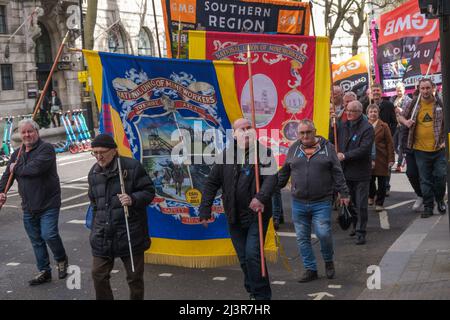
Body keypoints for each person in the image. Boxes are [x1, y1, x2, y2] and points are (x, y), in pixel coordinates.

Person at [199, 118, 277, 300]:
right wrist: (205, 209)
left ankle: (262, 297)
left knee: (253, 255)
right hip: (234, 215)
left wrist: (260, 197)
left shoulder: (263, 153)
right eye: (241, 129)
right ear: (234, 134)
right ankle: (253, 288)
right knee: (243, 257)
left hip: (257, 215)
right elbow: (211, 183)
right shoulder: (225, 156)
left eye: (249, 128)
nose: (246, 131)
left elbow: (272, 179)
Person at [278, 119, 349, 282]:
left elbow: (338, 173)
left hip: (322, 201)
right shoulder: (294, 148)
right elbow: (284, 173)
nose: (305, 136)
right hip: (298, 202)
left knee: (323, 234)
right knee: (302, 238)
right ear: (298, 134)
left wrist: (344, 193)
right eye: (302, 133)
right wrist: (268, 188)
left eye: (308, 132)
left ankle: (328, 261)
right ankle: (310, 269)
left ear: (315, 131)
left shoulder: (328, 148)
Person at [0, 119, 69, 285]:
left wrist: (14, 168)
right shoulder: (17, 153)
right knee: (36, 240)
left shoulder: (46, 149)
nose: (27, 135)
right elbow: (7, 177)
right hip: (29, 205)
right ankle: (44, 271)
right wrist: (1, 191)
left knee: (49, 234)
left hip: (48, 203)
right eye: (23, 132)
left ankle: (61, 259)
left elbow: (34, 169)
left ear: (37, 132)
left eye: (30, 131)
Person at [88, 134, 155, 300]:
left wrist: (132, 199)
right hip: (103, 233)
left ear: (114, 151)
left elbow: (149, 192)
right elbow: (95, 202)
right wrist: (96, 227)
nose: (98, 157)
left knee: (134, 277)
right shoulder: (94, 172)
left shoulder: (132, 167)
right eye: (94, 152)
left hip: (129, 231)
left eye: (102, 152)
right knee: (98, 275)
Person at [398, 78, 446, 218]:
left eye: (427, 88)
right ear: (418, 89)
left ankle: (440, 200)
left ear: (433, 88)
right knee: (424, 180)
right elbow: (400, 116)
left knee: (440, 177)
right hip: (420, 150)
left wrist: (445, 142)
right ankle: (428, 206)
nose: (425, 91)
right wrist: (406, 121)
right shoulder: (413, 103)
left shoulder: (441, 103)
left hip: (439, 149)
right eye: (422, 88)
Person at [333, 101, 375, 245]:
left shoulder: (367, 128)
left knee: (361, 204)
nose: (348, 113)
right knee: (348, 202)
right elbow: (332, 137)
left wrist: (345, 156)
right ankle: (354, 224)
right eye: (347, 110)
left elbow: (364, 149)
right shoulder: (343, 125)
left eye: (352, 111)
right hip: (345, 172)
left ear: (359, 112)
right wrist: (332, 121)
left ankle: (361, 232)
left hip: (361, 172)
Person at [367, 104, 395, 211]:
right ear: (367, 114)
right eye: (371, 112)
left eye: (375, 112)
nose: (373, 113)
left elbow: (389, 143)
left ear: (378, 113)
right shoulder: (364, 125)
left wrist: (391, 159)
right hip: (368, 158)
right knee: (370, 180)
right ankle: (371, 195)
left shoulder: (384, 126)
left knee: (382, 182)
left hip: (382, 158)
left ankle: (379, 202)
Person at [391, 83, 412, 173]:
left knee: (401, 146)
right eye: (397, 90)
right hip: (395, 126)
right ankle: (404, 159)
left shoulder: (408, 100)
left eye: (400, 90)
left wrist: (401, 110)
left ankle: (399, 165)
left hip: (403, 126)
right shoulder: (392, 99)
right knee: (394, 145)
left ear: (404, 90)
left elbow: (409, 113)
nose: (399, 92)